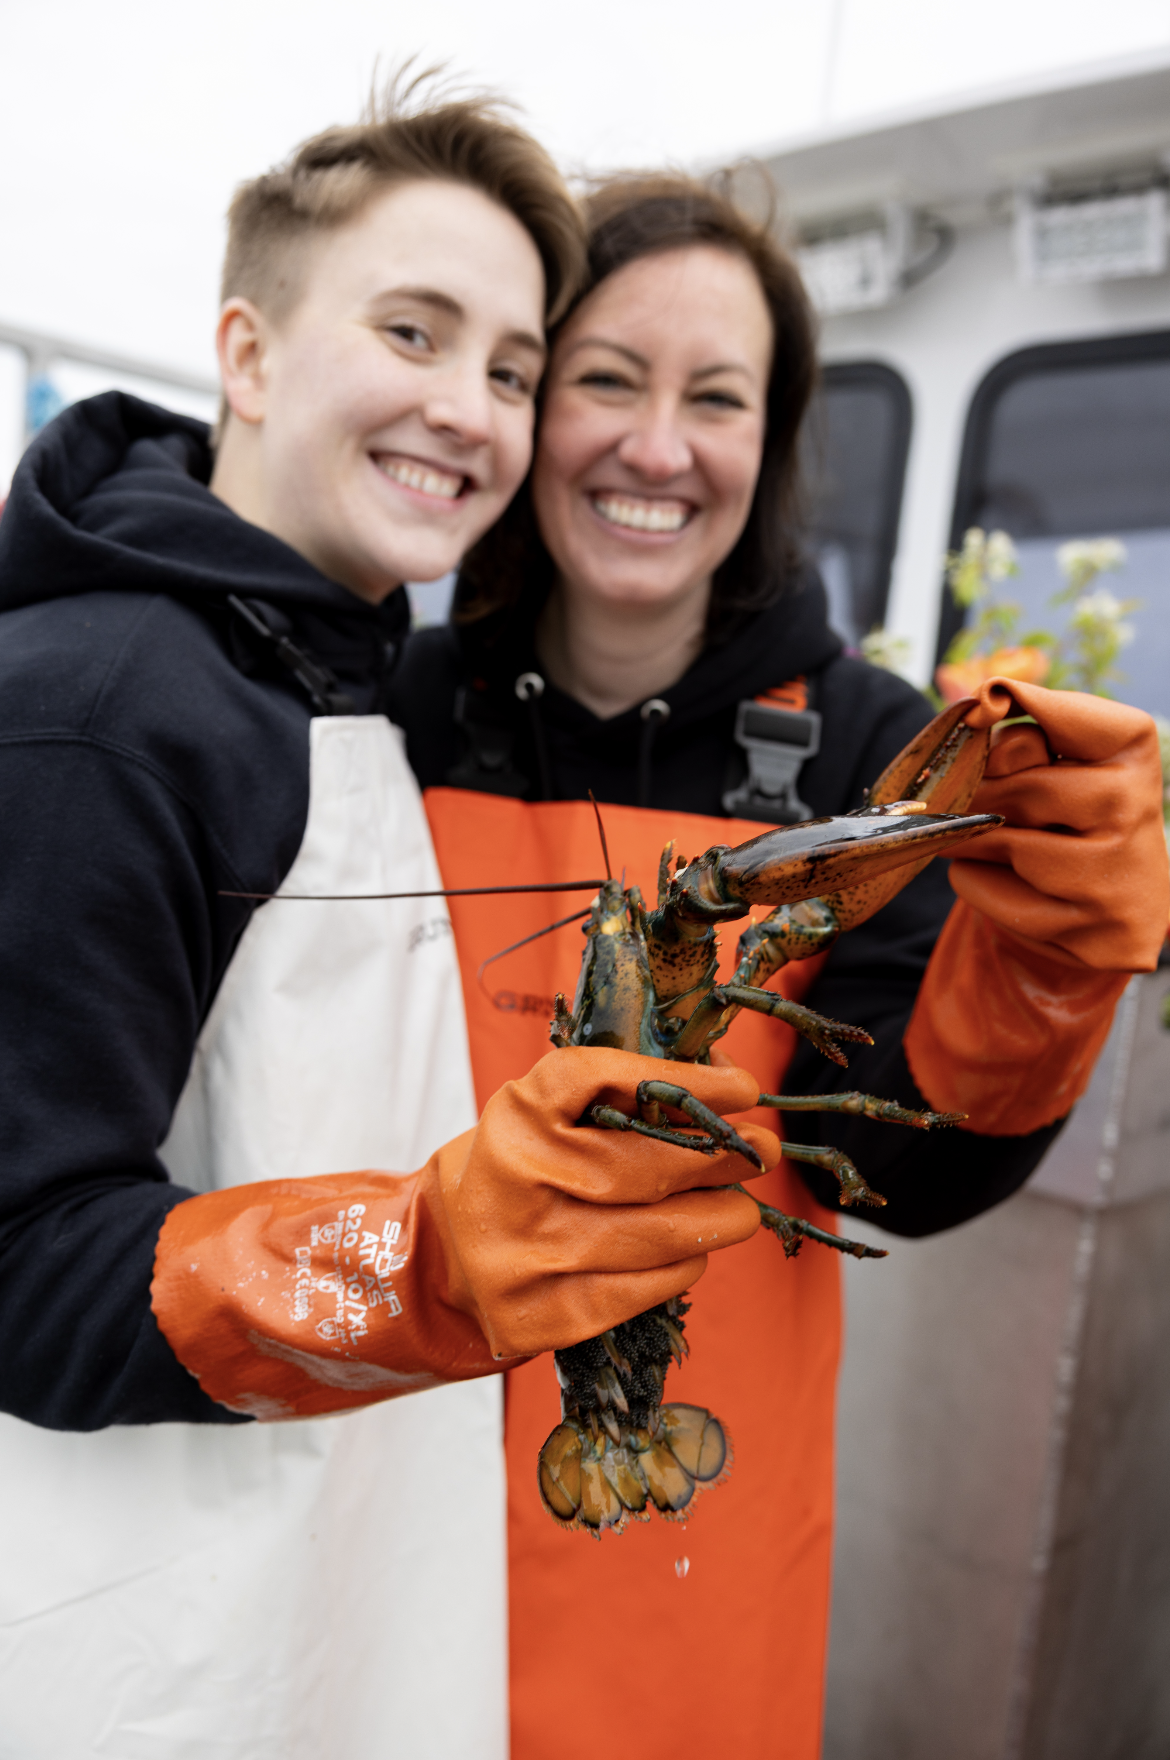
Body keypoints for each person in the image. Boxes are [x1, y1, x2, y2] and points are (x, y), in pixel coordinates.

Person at [0, 102, 785, 1758]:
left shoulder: (332, 673)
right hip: (154, 1669)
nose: (467, 409)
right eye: (411, 332)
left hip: (340, 1608)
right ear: (250, 353)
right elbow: (16, 1257)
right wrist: (416, 1259)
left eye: (509, 368)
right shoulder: (100, 708)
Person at [389, 173, 1170, 1758]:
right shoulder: (381, 716)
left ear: (772, 437)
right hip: (375, 1511)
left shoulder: (872, 751)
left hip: (688, 1553)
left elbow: (896, 1170)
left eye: (718, 398)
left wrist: (1040, 965)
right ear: (530, 403)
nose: (657, 446)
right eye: (606, 378)